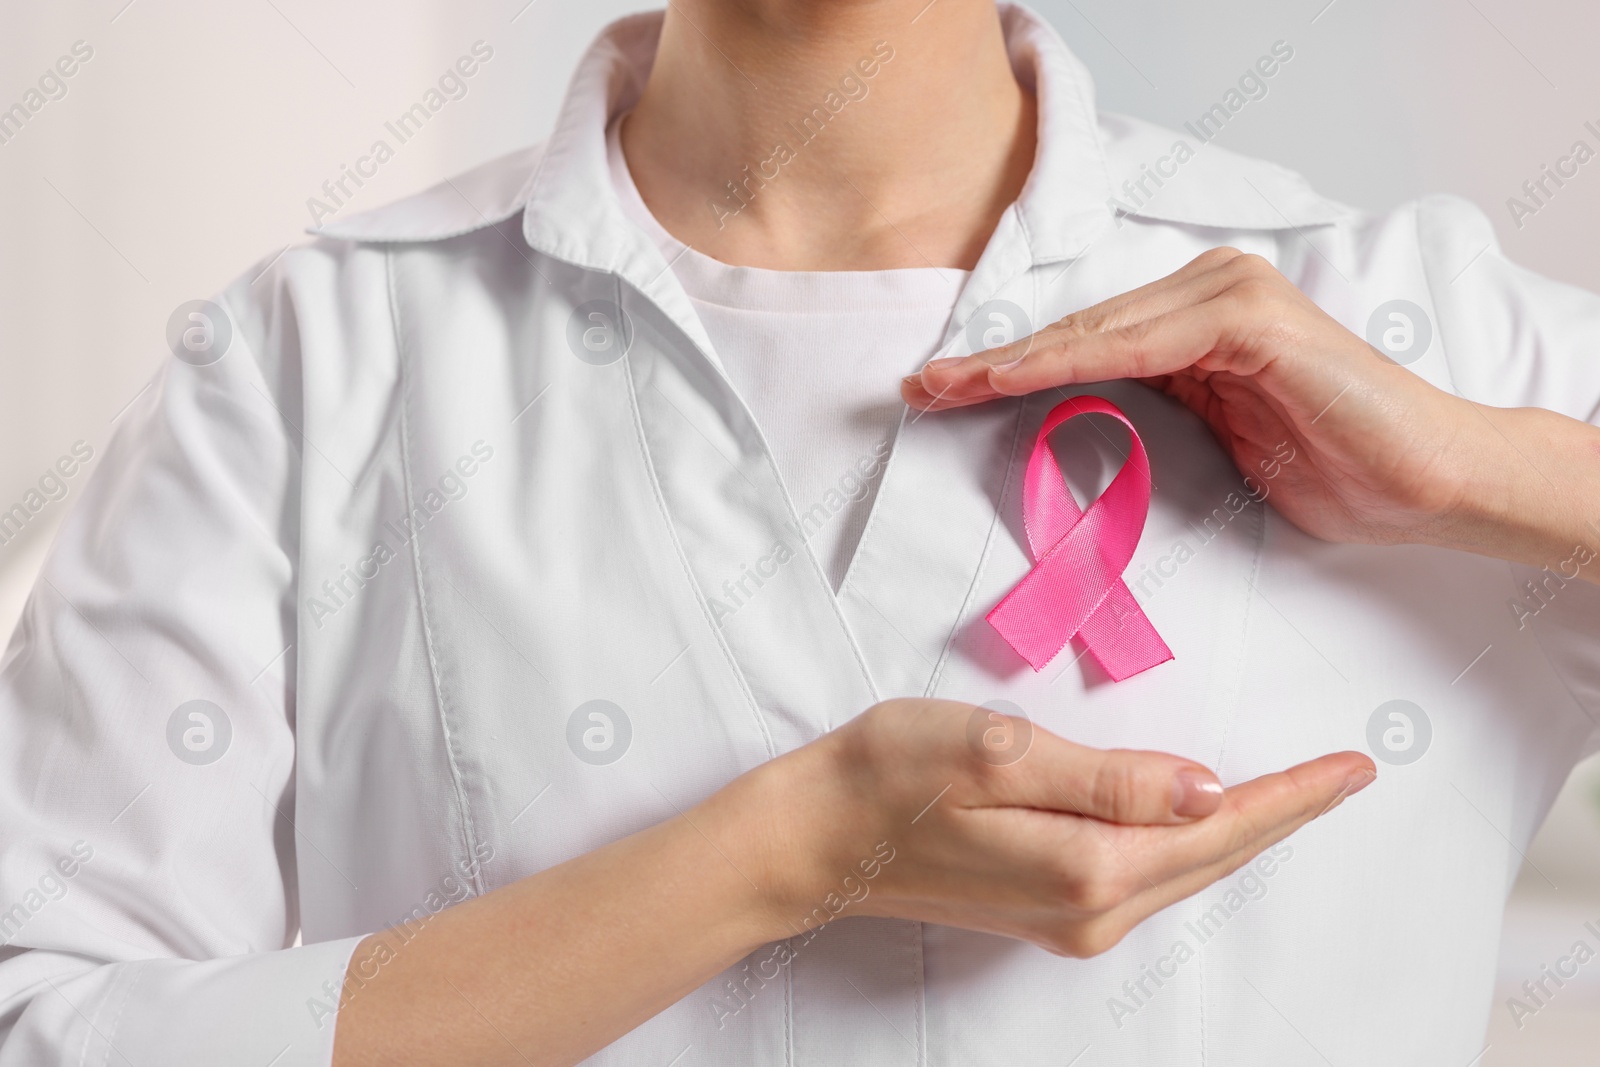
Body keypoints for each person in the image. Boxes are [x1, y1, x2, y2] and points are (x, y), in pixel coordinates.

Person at [1, 0, 1597, 1064]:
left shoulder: (1411, 327)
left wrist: (1478, 469)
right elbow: (49, 1022)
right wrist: (778, 856)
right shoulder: (306, 363)